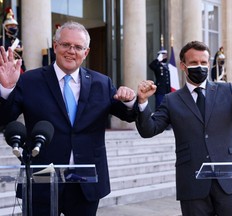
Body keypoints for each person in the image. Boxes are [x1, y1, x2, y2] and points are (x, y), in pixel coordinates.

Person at [0, 21, 137, 216]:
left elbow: (128, 115)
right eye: (65, 45)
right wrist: (6, 89)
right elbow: (5, 117)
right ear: (55, 46)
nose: (71, 51)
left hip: (85, 182)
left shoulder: (102, 83)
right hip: (42, 179)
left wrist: (131, 100)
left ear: (86, 52)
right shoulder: (30, 80)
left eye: (78, 47)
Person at [136, 41, 232, 216]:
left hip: (229, 178)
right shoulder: (171, 100)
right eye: (193, 63)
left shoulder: (227, 90)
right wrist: (142, 103)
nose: (199, 67)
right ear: (183, 66)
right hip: (193, 181)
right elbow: (149, 129)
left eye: (203, 62)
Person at [0, 7, 26, 73]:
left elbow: (20, 58)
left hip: (18, 69)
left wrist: (24, 69)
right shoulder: (1, 40)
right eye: (11, 25)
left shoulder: (18, 41)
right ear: (5, 27)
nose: (13, 27)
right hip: (4, 69)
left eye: (14, 26)